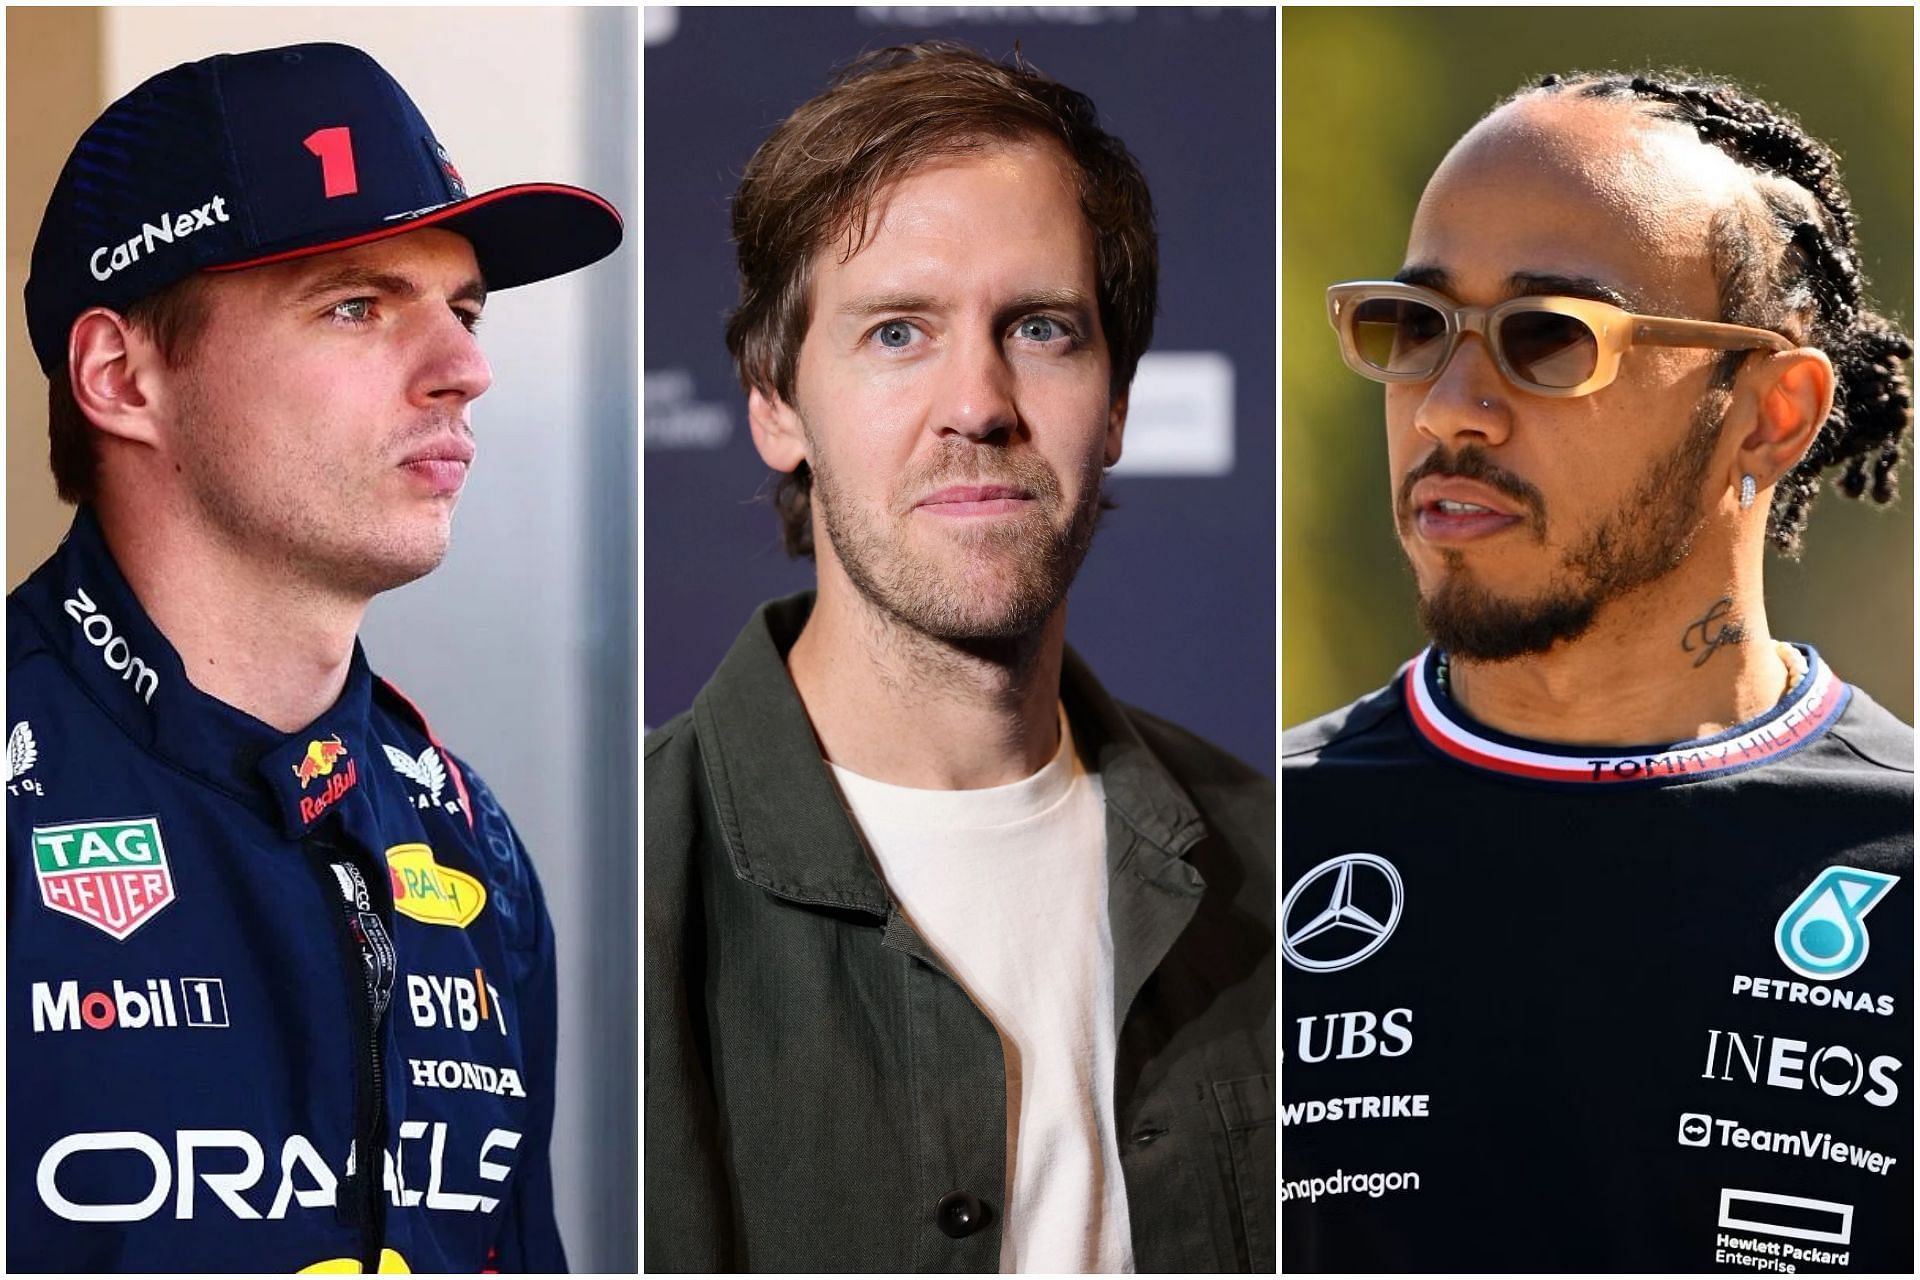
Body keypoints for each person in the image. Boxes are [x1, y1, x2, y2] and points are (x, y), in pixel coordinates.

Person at [644, 41, 1274, 1273]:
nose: (978, 400)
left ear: (1121, 399)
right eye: (897, 332)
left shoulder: (1282, 871)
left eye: (1041, 328)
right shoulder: (611, 885)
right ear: (776, 404)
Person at [1283, 70, 1912, 1272]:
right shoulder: (1226, 864)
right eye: (1414, 329)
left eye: (1548, 338)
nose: (1448, 410)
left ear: (1773, 413)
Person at [6, 42, 621, 1272]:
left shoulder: (468, 843)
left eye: (463, 309)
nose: (465, 369)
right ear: (123, 376)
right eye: (357, 303)